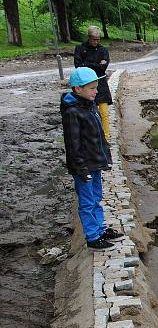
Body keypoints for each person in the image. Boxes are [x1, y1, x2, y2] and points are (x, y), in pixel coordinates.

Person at [61, 67, 124, 249]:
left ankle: (100, 229)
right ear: (78, 89)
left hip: (95, 162)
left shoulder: (90, 105)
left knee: (97, 197)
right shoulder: (72, 112)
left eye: (96, 87)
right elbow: (73, 145)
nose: (96, 92)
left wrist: (106, 158)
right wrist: (81, 170)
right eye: (92, 88)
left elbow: (99, 137)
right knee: (87, 202)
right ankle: (92, 237)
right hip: (84, 167)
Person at [74, 26, 112, 140]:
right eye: (94, 39)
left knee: (104, 113)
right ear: (89, 38)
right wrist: (96, 64)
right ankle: (93, 136)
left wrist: (87, 64)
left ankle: (106, 137)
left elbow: (103, 67)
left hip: (101, 84)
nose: (96, 42)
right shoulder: (80, 48)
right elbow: (78, 66)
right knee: (90, 112)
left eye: (98, 39)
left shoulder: (103, 50)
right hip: (86, 85)